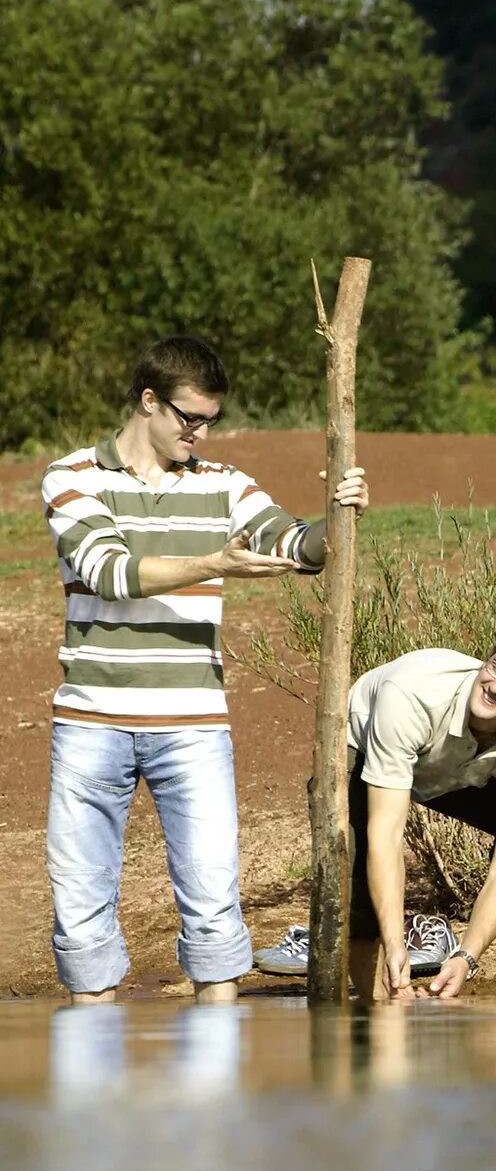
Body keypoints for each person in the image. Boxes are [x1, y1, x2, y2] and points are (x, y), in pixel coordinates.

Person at [43, 335, 368, 1002]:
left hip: (193, 725)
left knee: (216, 911)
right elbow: (111, 572)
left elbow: (294, 543)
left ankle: (213, 1088)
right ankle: (88, 1090)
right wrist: (215, 565)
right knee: (81, 918)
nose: (202, 432)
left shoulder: (225, 486)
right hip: (90, 724)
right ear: (148, 401)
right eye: (190, 417)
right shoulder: (71, 477)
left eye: (211, 420)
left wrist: (336, 518)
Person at [267, 629, 496, 1002]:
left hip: (461, 773)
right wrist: (397, 944)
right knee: (354, 850)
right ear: (487, 658)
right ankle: (381, 997)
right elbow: (386, 833)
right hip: (367, 750)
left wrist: (466, 956)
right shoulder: (411, 694)